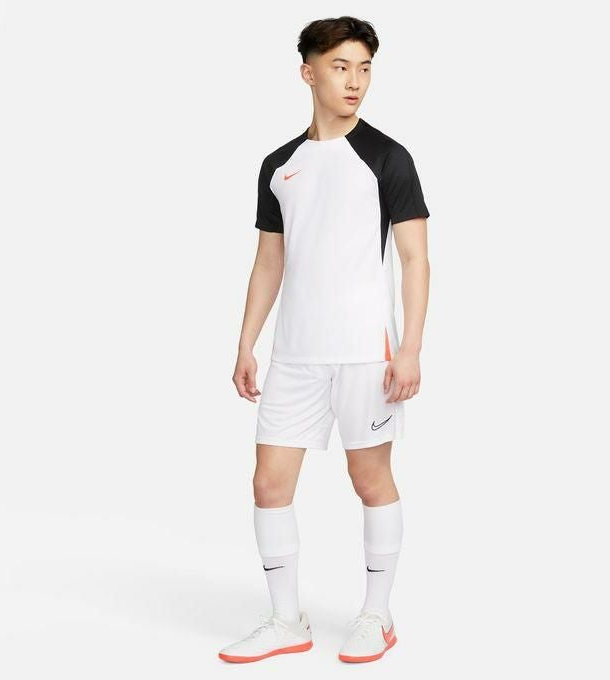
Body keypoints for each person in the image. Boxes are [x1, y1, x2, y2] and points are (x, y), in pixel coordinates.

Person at [219, 15, 430, 664]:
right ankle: (287, 621)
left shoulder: (388, 158)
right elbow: (269, 260)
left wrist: (411, 348)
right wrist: (247, 343)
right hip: (295, 356)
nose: (355, 80)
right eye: (341, 67)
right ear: (308, 73)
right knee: (268, 485)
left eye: (364, 68)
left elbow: (415, 258)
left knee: (370, 480)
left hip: (368, 354)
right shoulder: (279, 166)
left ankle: (377, 615)